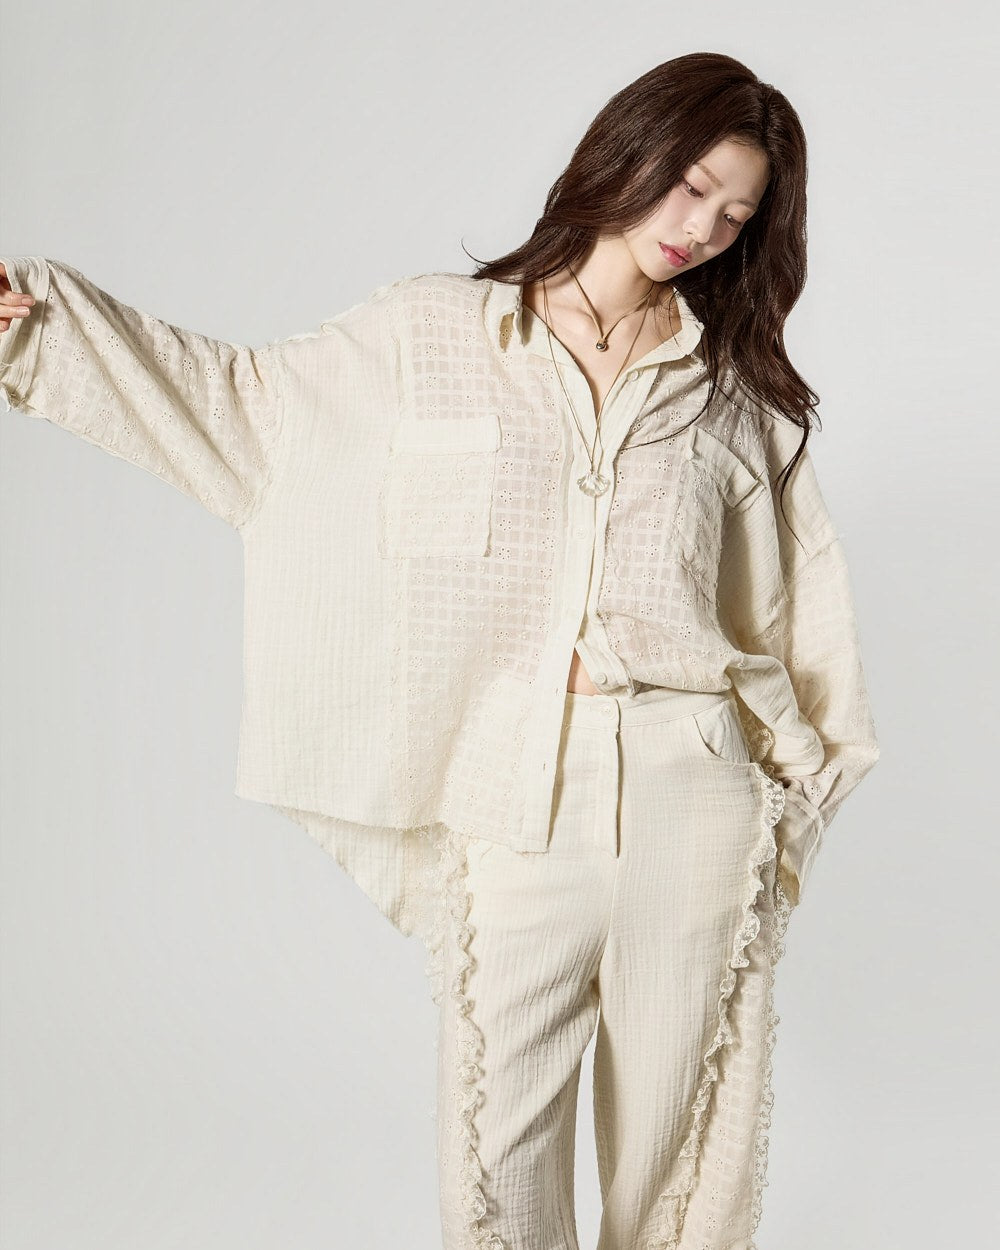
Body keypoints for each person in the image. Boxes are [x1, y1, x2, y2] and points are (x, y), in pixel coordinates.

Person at [1, 50, 879, 1250]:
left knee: (679, 1164)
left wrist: (792, 805)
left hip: (697, 792)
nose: (702, 229)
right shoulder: (429, 333)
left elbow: (796, 613)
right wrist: (44, 321)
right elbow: (247, 407)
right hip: (513, 793)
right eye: (691, 186)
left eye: (735, 216)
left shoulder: (726, 395)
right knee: (495, 1166)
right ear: (629, 150)